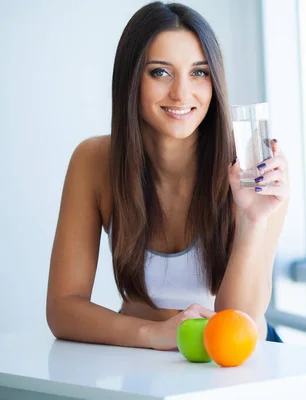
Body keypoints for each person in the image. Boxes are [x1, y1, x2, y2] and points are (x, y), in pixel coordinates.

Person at [46, 1, 289, 351]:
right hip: (144, 355)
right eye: (160, 72)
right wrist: (152, 334)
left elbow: (239, 321)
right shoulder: (94, 161)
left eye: (199, 72)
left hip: (237, 359)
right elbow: (63, 308)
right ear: (132, 79)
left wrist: (252, 220)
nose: (181, 93)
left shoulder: (253, 164)